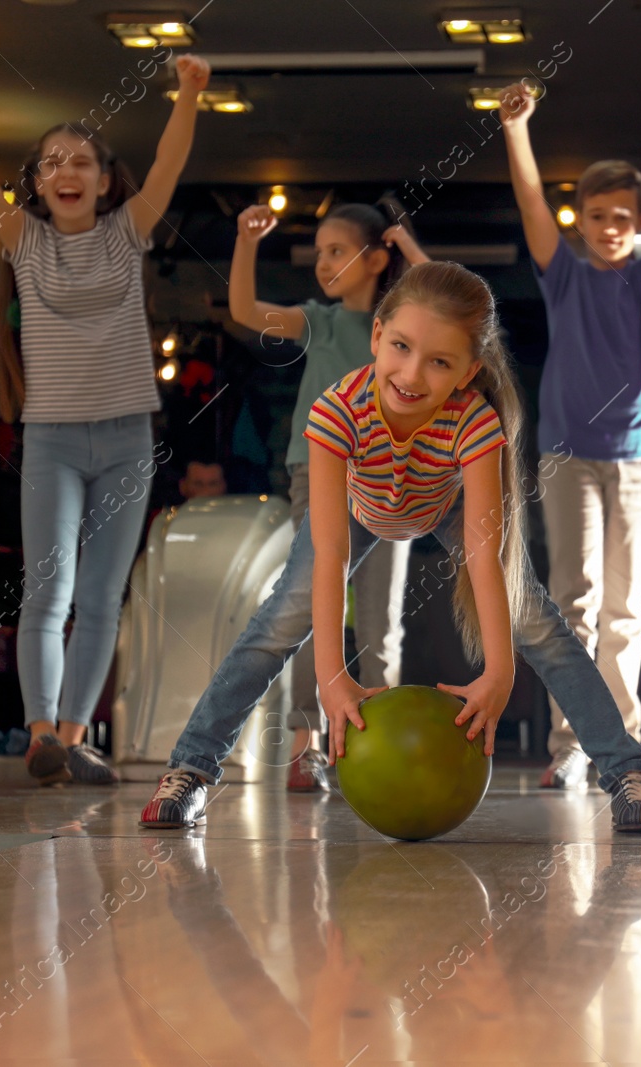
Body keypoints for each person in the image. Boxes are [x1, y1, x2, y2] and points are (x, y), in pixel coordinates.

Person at [140, 262, 641, 833]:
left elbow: (485, 554)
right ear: (377, 336)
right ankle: (190, 770)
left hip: (445, 506)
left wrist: (499, 671)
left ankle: (627, 774)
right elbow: (330, 554)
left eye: (439, 361)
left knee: (541, 624)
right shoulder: (336, 413)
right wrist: (332, 677)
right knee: (273, 626)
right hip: (355, 510)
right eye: (401, 346)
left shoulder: (474, 421)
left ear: (469, 371)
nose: (412, 373)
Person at [0, 53, 209, 787]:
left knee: (101, 597)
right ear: (39, 185)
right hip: (50, 437)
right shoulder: (25, 241)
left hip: (125, 437)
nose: (67, 171)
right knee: (47, 590)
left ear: (105, 181)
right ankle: (40, 729)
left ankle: (74, 737)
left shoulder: (125, 233)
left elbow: (170, 165)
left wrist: (188, 96)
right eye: (52, 163)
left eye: (82, 161)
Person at [498, 83, 641, 791]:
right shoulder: (565, 278)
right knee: (573, 602)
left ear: (640, 220)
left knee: (625, 610)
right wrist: (518, 129)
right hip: (568, 455)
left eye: (622, 216)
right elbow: (528, 202)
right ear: (577, 220)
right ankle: (571, 744)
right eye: (596, 215)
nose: (610, 226)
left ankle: (624, 746)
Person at [228, 200, 427, 792]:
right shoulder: (319, 320)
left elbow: (452, 301)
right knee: (313, 616)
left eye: (336, 251)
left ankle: (375, 746)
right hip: (317, 475)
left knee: (379, 623)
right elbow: (243, 309)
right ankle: (303, 749)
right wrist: (245, 240)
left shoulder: (404, 328)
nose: (323, 263)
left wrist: (410, 249)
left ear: (376, 258)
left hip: (391, 481)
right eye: (319, 254)